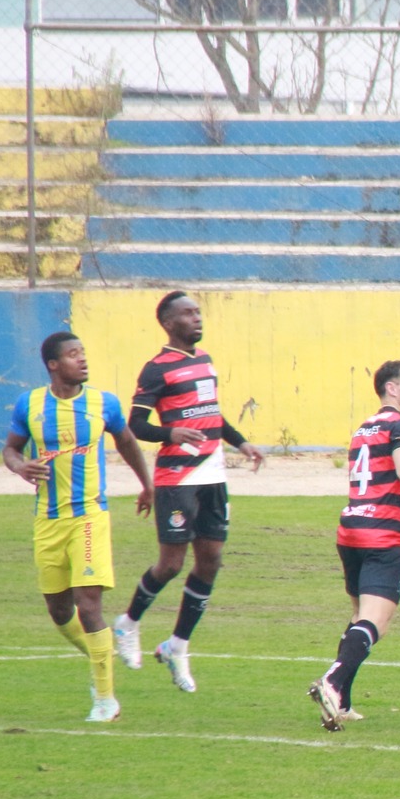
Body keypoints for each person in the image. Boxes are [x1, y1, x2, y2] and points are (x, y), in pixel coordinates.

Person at [113, 291, 267, 695]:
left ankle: (177, 645)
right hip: (177, 478)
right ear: (168, 323)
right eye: (188, 313)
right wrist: (170, 433)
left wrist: (241, 442)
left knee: (211, 561)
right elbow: (136, 425)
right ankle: (128, 624)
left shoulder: (204, 361)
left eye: (198, 312)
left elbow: (212, 413)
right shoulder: (156, 370)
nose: (197, 318)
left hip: (212, 475)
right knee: (170, 564)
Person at [3, 332, 155, 722]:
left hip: (89, 516)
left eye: (83, 353)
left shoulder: (103, 404)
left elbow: (126, 442)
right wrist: (20, 466)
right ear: (53, 365)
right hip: (48, 520)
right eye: (73, 355)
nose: (82, 360)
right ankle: (100, 660)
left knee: (89, 605)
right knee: (58, 609)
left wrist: (147, 484)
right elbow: (11, 448)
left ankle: (105, 701)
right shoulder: (30, 405)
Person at [309, 360, 400, 731]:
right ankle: (332, 682)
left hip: (352, 529)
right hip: (383, 537)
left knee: (359, 617)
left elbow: (381, 487)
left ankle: (343, 702)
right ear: (391, 389)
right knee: (376, 621)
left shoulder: (364, 428)